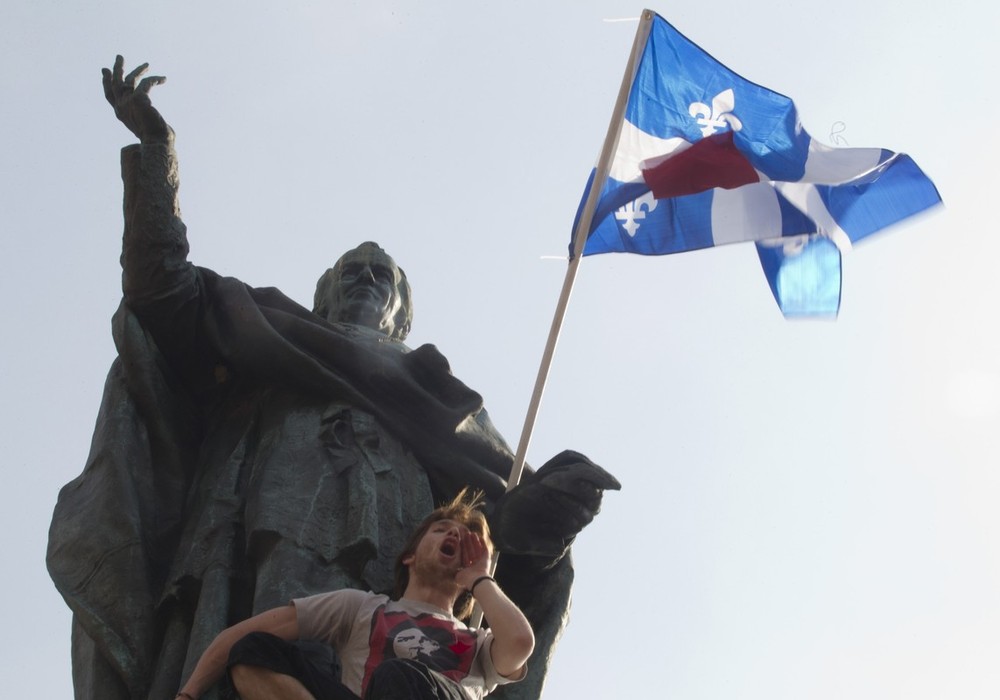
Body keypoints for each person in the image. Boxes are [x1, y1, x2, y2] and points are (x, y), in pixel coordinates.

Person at [47, 57, 619, 700]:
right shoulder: (267, 329)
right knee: (272, 642)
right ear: (322, 296)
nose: (367, 280)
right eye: (352, 270)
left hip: (404, 535)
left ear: (403, 315)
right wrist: (157, 153)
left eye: (384, 276)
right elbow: (161, 292)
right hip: (269, 507)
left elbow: (502, 530)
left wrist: (546, 518)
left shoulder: (439, 393)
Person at [175, 491, 532, 700]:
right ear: (409, 556)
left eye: (462, 539)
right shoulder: (363, 607)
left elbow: (519, 642)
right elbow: (237, 639)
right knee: (253, 649)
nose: (452, 536)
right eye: (441, 530)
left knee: (400, 677)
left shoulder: (478, 644)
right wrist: (187, 695)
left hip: (428, 692)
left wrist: (481, 578)